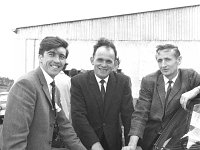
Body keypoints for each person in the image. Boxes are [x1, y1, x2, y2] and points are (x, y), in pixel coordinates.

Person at [1, 36, 86, 150]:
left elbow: (65, 126)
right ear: (40, 57)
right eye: (51, 54)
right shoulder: (26, 84)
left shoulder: (54, 89)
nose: (57, 60)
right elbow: (14, 143)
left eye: (62, 56)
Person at [123, 44, 200, 150]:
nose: (163, 65)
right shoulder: (149, 80)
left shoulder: (189, 76)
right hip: (150, 140)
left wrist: (196, 90)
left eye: (168, 59)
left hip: (177, 141)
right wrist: (132, 145)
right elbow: (141, 113)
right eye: (160, 60)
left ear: (179, 60)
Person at [70, 37, 134, 150]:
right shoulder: (78, 82)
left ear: (115, 63)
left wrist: (130, 145)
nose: (104, 65)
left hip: (113, 143)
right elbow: (78, 116)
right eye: (100, 60)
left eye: (109, 61)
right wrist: (94, 144)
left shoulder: (123, 82)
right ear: (92, 60)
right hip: (87, 143)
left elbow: (128, 116)